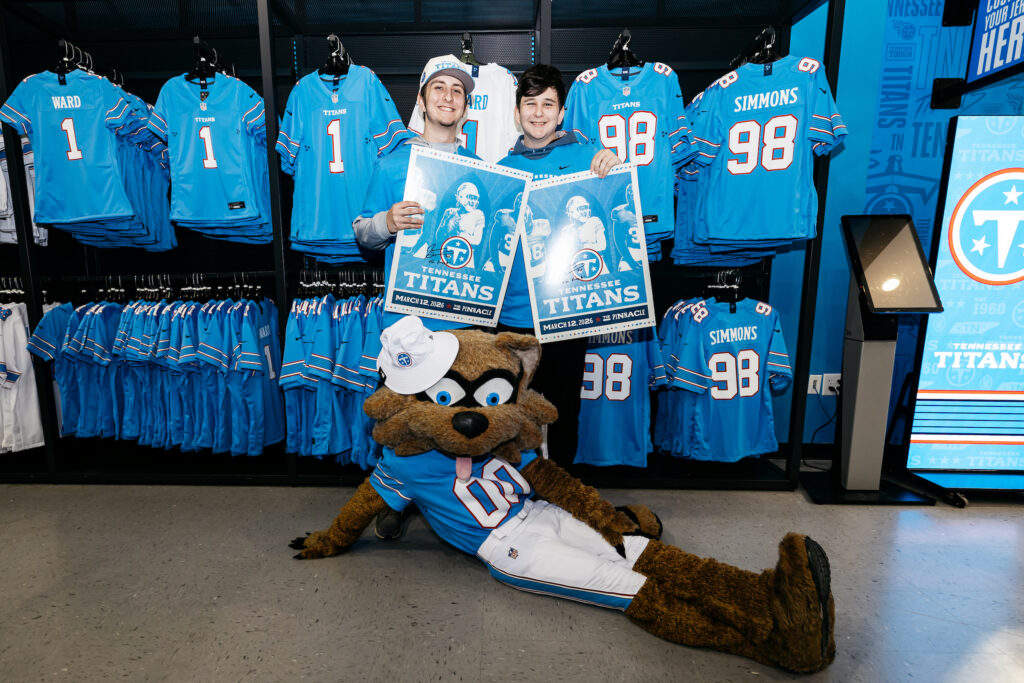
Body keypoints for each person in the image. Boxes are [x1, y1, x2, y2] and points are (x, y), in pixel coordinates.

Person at [353, 56, 482, 540]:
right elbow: (362, 233)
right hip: (406, 313)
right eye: (439, 89)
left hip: (462, 311)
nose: (448, 98)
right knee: (403, 412)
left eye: (457, 92)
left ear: (466, 108)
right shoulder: (392, 163)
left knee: (454, 410)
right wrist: (387, 221)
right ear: (423, 101)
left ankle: (455, 497)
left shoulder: (480, 171)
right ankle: (395, 497)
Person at [495, 64, 622, 467]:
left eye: (547, 104)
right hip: (512, 312)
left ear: (562, 112)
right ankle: (513, 500)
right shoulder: (499, 169)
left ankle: (562, 495)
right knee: (510, 414)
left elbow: (619, 203)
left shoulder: (588, 157)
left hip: (568, 312)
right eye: (529, 103)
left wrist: (614, 165)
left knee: (565, 410)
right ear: (516, 111)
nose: (538, 112)